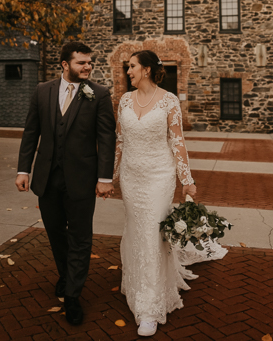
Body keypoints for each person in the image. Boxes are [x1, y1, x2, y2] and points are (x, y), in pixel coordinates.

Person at [15, 41, 116, 326]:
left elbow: (107, 138)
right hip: (47, 178)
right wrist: (24, 170)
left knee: (81, 237)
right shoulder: (42, 91)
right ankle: (66, 274)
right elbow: (31, 132)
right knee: (55, 232)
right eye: (81, 63)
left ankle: (72, 295)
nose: (87, 67)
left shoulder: (99, 94)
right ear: (64, 65)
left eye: (89, 63)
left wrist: (105, 178)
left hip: (82, 180)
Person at [114, 50, 201, 337]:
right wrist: (109, 177)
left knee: (153, 233)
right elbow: (120, 141)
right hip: (131, 176)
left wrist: (186, 180)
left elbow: (178, 142)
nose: (128, 71)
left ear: (147, 70)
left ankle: (150, 307)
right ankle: (135, 281)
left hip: (159, 176)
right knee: (137, 230)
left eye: (132, 67)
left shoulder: (169, 101)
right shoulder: (125, 100)